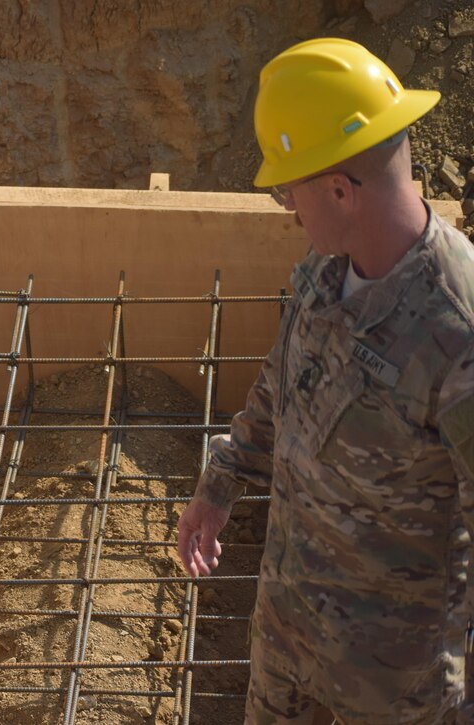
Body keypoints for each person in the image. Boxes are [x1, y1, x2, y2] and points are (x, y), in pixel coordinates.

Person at [177, 37, 474, 724]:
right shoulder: (324, 272)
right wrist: (220, 484)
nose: (284, 204)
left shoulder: (456, 335)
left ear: (340, 188)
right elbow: (282, 384)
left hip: (395, 687)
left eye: (289, 187)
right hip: (288, 632)